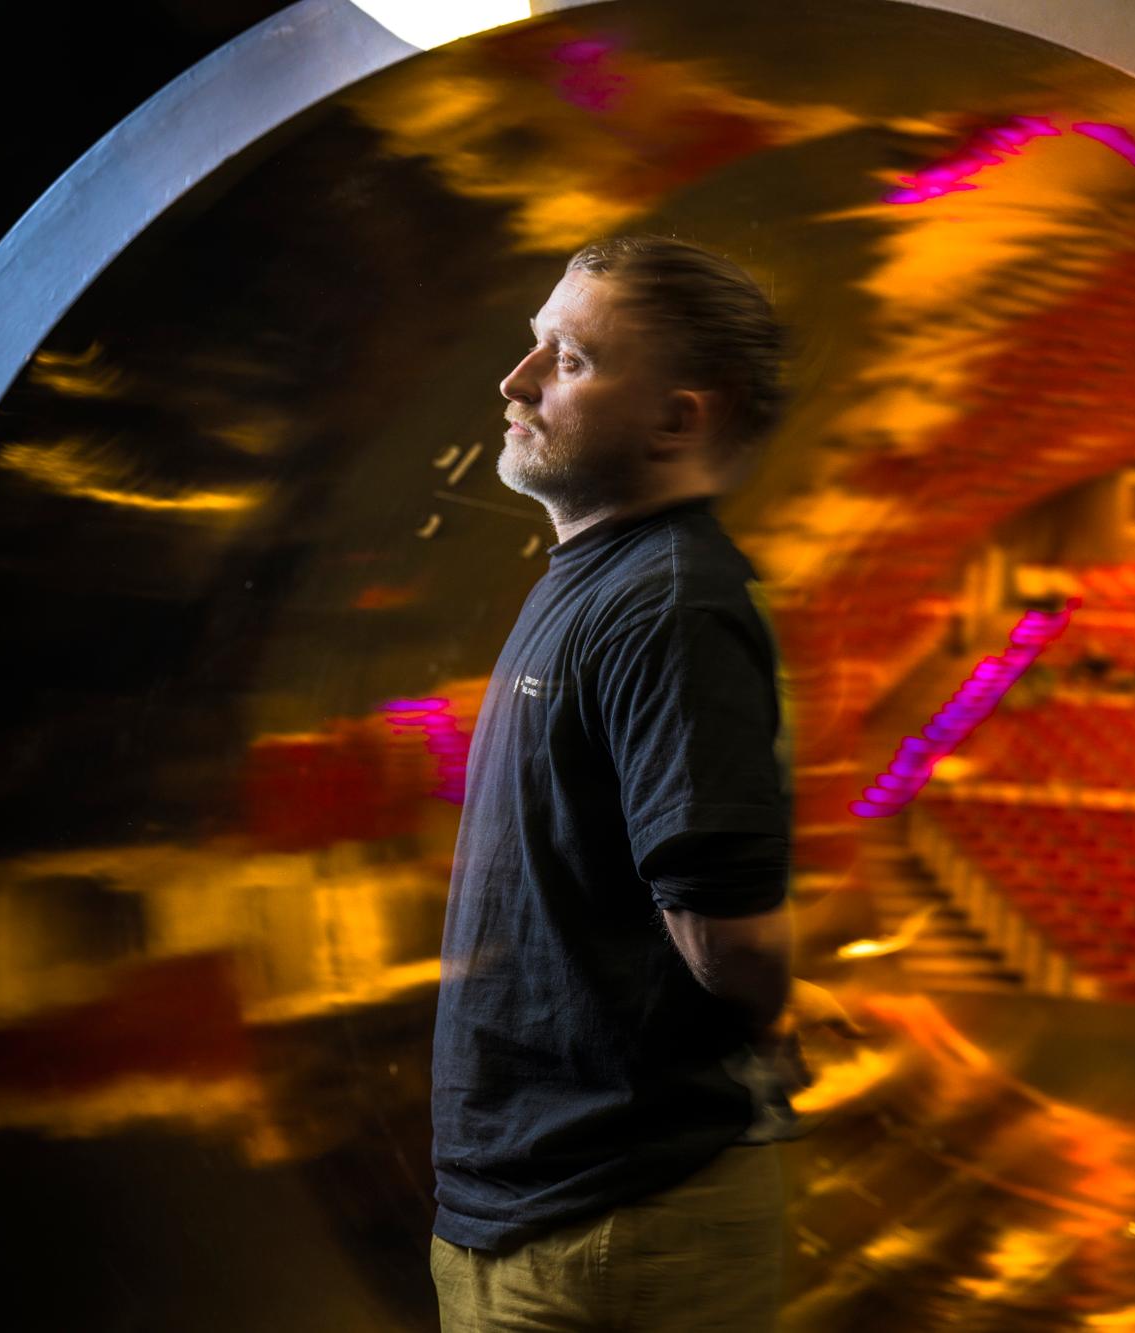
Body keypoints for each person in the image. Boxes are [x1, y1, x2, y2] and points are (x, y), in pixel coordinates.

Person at [429, 235, 803, 1331]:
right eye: (531, 343)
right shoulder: (598, 580)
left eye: (571, 358)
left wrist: (773, 1015)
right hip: (537, 1211)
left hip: (614, 1223)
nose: (516, 379)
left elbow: (725, 934)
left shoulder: (668, 604)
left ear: (675, 420)